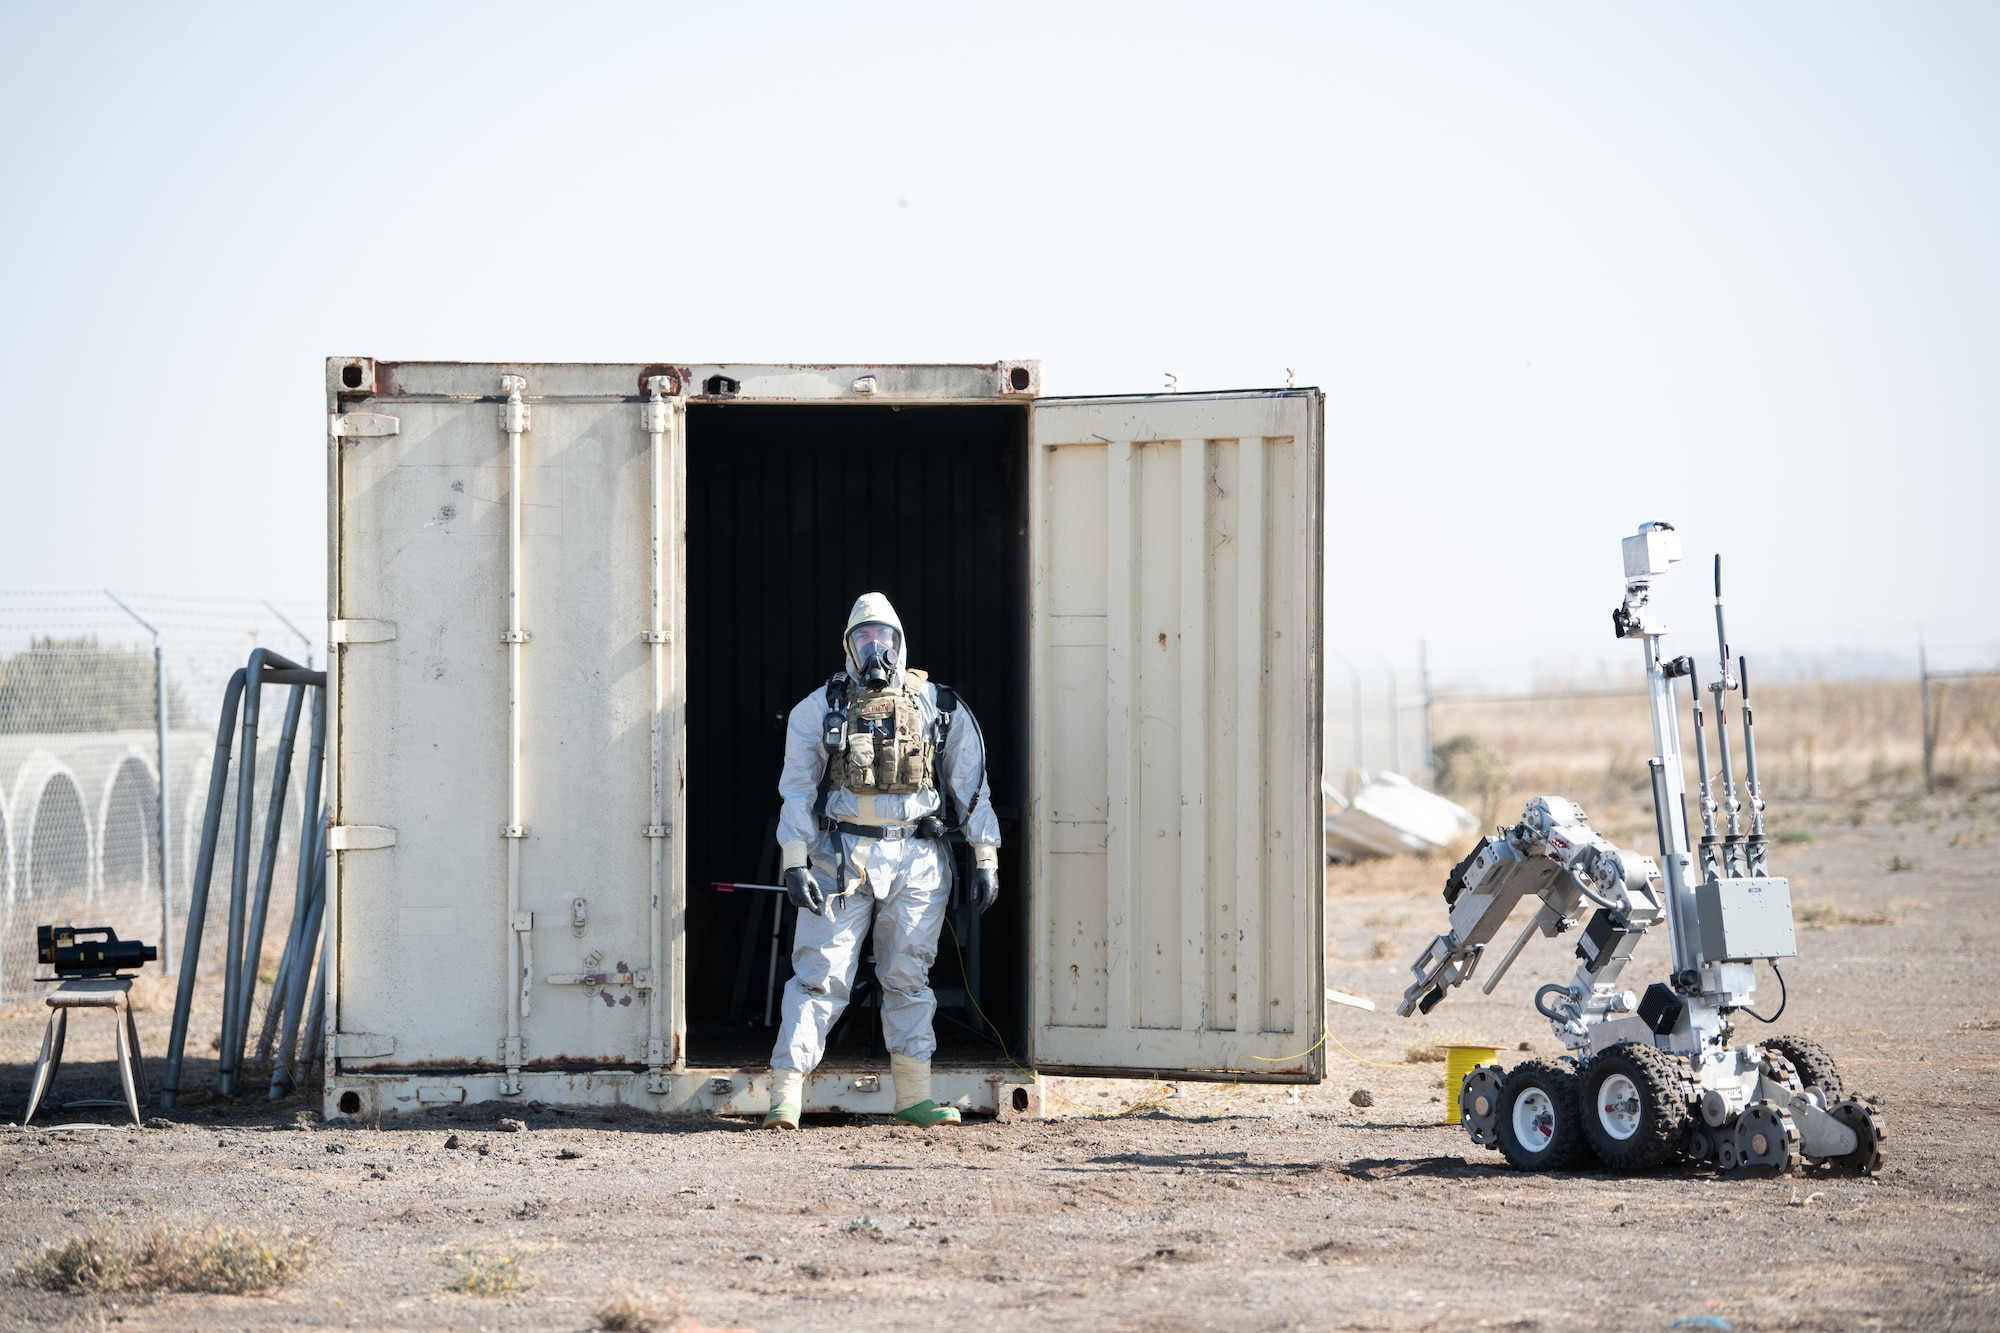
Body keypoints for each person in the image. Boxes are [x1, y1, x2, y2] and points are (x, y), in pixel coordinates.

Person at [762, 592, 1000, 1130]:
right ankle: (785, 1098)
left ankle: (913, 1097)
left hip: (916, 858)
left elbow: (972, 787)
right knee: (819, 977)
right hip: (840, 858)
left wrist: (986, 854)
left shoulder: (940, 705)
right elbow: (796, 789)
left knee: (909, 978)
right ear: (848, 646)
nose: (876, 649)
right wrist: (795, 858)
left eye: (884, 638)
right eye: (864, 638)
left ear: (900, 641)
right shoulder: (818, 708)